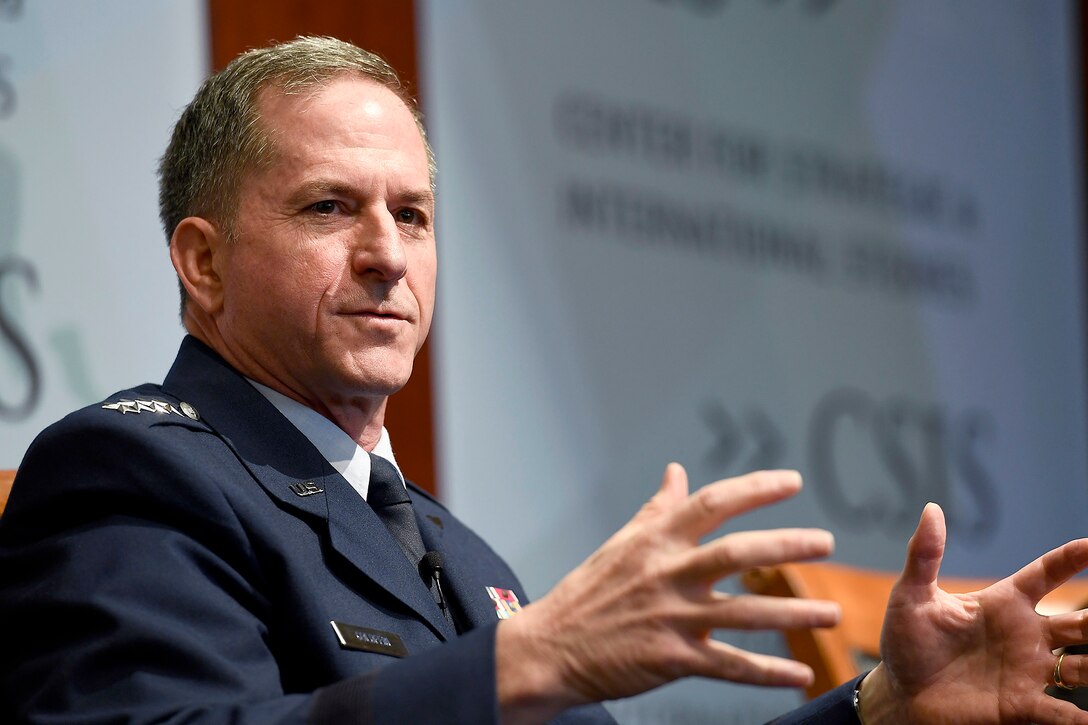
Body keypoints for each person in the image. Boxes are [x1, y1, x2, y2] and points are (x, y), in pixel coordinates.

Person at [0, 36, 1086, 725]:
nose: (388, 253)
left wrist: (880, 708)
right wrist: (528, 662)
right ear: (202, 260)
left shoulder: (457, 553)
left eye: (412, 214)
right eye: (331, 207)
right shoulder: (132, 470)